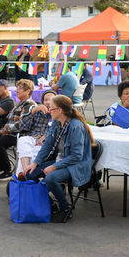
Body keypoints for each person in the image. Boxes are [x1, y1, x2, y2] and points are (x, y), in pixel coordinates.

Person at [23, 95, 95, 223]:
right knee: (29, 173)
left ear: (60, 110)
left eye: (51, 109)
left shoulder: (76, 126)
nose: (49, 111)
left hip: (76, 165)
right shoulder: (57, 123)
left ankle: (65, 208)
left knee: (51, 178)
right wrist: (35, 163)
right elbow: (47, 145)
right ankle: (50, 204)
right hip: (62, 160)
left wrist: (54, 166)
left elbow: (76, 156)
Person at [0, 79, 37, 178]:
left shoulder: (29, 105)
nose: (16, 91)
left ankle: (7, 170)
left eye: (20, 88)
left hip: (20, 135)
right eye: (17, 88)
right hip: (11, 132)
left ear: (28, 91)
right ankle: (1, 165)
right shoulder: (20, 103)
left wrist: (5, 130)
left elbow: (22, 125)